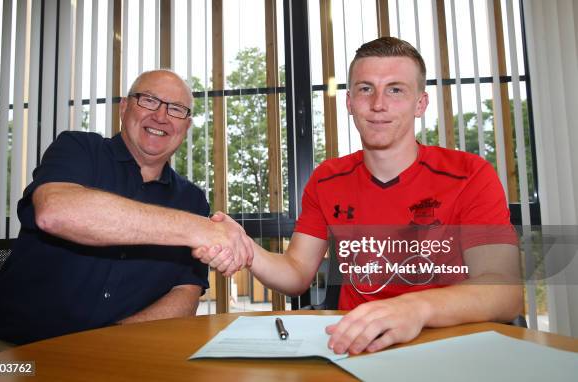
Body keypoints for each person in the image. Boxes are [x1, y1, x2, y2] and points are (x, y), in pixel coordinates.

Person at [195, 37, 523, 355]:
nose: (378, 104)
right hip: (353, 348)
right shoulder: (327, 179)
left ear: (420, 103)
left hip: (448, 348)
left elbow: (503, 288)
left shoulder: (470, 174)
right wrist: (247, 249)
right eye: (366, 89)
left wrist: (414, 309)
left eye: (395, 90)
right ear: (350, 102)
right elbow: (296, 272)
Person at [0, 69, 253, 345]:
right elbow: (55, 212)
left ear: (186, 127)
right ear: (124, 108)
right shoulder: (78, 148)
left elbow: (186, 292)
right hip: (11, 350)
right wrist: (197, 229)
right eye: (150, 100)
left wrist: (106, 342)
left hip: (116, 354)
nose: (161, 116)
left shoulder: (193, 200)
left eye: (176, 109)